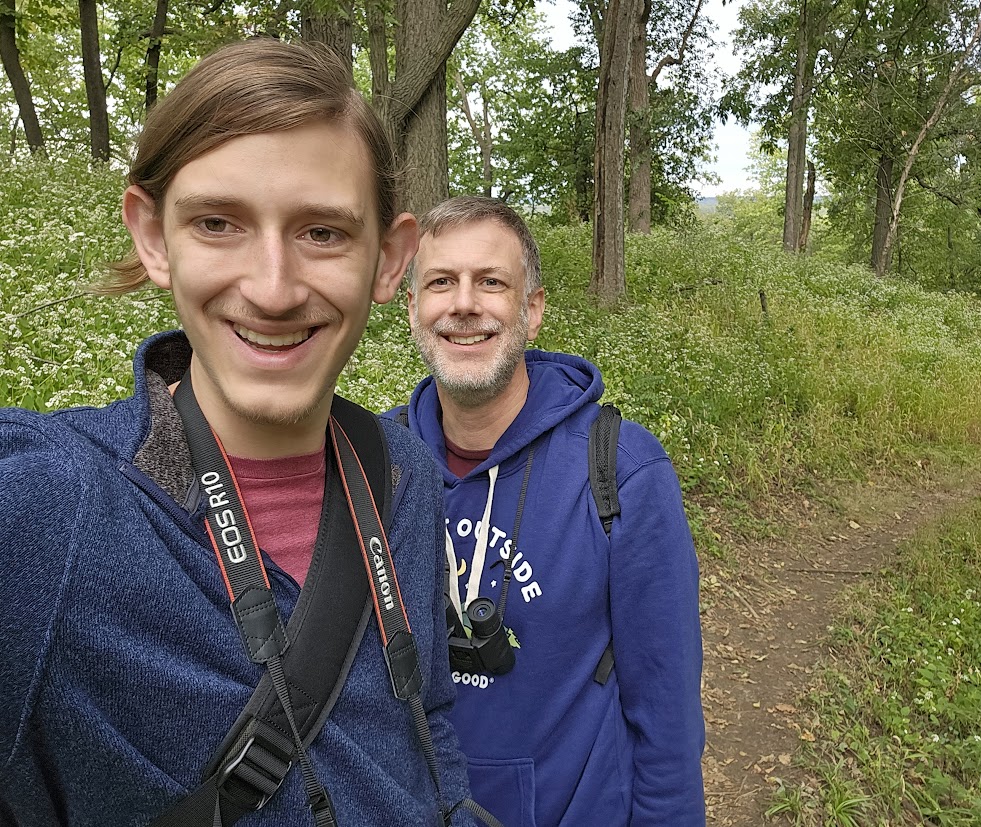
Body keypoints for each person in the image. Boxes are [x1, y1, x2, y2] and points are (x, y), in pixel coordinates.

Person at [0, 40, 480, 826]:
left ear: (389, 261)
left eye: (322, 232)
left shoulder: (403, 474)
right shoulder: (48, 506)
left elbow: (423, 715)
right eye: (218, 222)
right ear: (154, 237)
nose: (272, 287)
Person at [391, 196, 706, 826]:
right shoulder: (374, 462)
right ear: (413, 310)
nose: (463, 304)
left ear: (531, 311)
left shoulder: (622, 470)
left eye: (491, 282)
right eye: (440, 282)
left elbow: (666, 717)